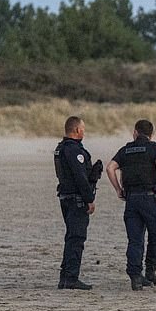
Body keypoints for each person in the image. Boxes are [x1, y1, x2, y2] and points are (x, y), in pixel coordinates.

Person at [106, 120, 156, 291]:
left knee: (135, 241)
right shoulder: (155, 148)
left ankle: (136, 277)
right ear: (151, 135)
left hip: (131, 201)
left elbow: (110, 168)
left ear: (135, 132)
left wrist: (118, 190)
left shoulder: (125, 150)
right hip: (151, 199)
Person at [54, 116, 97, 290]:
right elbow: (80, 177)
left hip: (65, 197)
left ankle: (65, 277)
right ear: (77, 130)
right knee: (77, 237)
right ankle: (71, 277)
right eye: (83, 129)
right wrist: (89, 199)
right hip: (76, 199)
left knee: (71, 236)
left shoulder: (61, 148)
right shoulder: (73, 150)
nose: (84, 132)